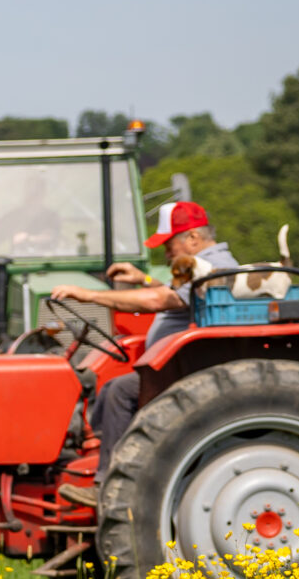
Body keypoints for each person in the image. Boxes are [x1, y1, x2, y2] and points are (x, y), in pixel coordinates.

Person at [46, 199, 237, 493]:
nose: (166, 254)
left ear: (193, 238)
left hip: (191, 370)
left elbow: (162, 300)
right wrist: (143, 279)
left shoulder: (214, 266)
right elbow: (175, 293)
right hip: (180, 365)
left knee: (120, 392)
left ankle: (109, 486)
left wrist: (88, 296)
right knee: (111, 386)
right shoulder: (205, 265)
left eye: (169, 245)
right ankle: (98, 457)